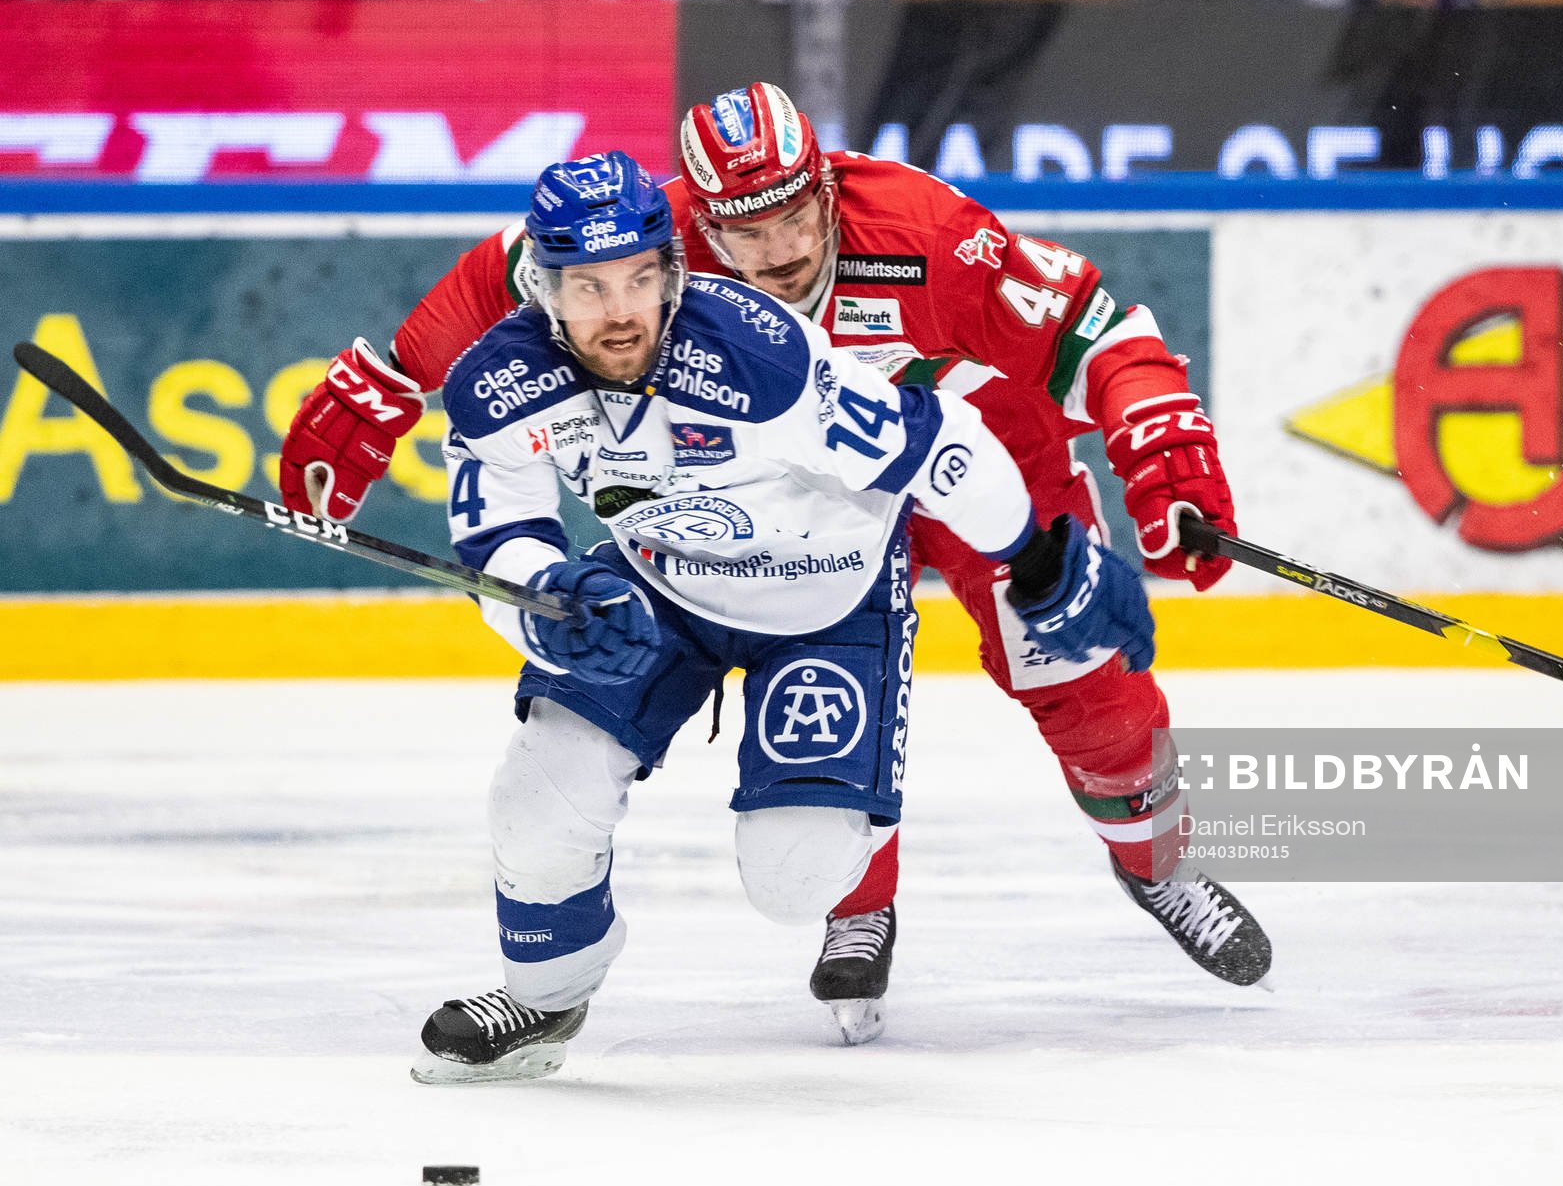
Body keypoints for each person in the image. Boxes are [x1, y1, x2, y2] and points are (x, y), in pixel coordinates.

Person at [279, 83, 1274, 1016]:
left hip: (976, 446)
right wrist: (389, 377)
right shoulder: (653, 239)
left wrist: (1164, 443)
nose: (778, 251)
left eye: (797, 218)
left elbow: (1098, 330)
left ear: (828, 187)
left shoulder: (932, 234)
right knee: (823, 650)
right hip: (807, 488)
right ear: (697, 221)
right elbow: (503, 271)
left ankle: (1159, 862)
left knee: (1081, 670)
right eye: (742, 232)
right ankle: (857, 899)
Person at [411, 148, 1157, 1077]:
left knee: (795, 875)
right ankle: (546, 997)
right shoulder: (498, 382)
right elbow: (499, 543)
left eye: (641, 279)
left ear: (673, 272)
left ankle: (864, 875)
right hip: (657, 591)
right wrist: (549, 600)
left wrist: (1038, 557)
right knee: (538, 795)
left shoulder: (755, 357)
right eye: (590, 287)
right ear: (543, 287)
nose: (621, 312)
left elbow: (940, 442)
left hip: (827, 598)